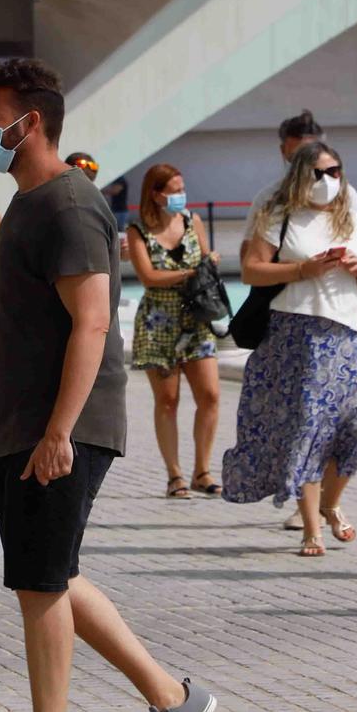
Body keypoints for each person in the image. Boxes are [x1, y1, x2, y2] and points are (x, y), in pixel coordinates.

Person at [0, 57, 215, 712]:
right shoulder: (24, 207)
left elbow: (95, 321)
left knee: (39, 582)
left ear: (28, 122)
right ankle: (173, 698)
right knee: (54, 575)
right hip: (23, 428)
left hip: (62, 429)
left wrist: (58, 431)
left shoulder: (70, 204)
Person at [224, 142, 357, 557]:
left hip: (344, 332)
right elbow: (251, 270)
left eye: (335, 171)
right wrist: (303, 269)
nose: (329, 181)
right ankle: (311, 529)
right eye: (319, 173)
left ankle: (331, 503)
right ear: (301, 175)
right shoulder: (279, 209)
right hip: (294, 331)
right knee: (308, 427)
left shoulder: (351, 203)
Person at [124, 164, 224, 499]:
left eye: (183, 188)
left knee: (209, 395)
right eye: (173, 190)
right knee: (167, 400)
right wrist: (190, 273)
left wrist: (209, 263)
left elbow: (205, 260)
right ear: (155, 193)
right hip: (158, 323)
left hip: (196, 321)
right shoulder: (138, 230)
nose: (180, 195)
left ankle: (202, 470)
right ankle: (175, 474)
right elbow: (148, 276)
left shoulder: (192, 221)